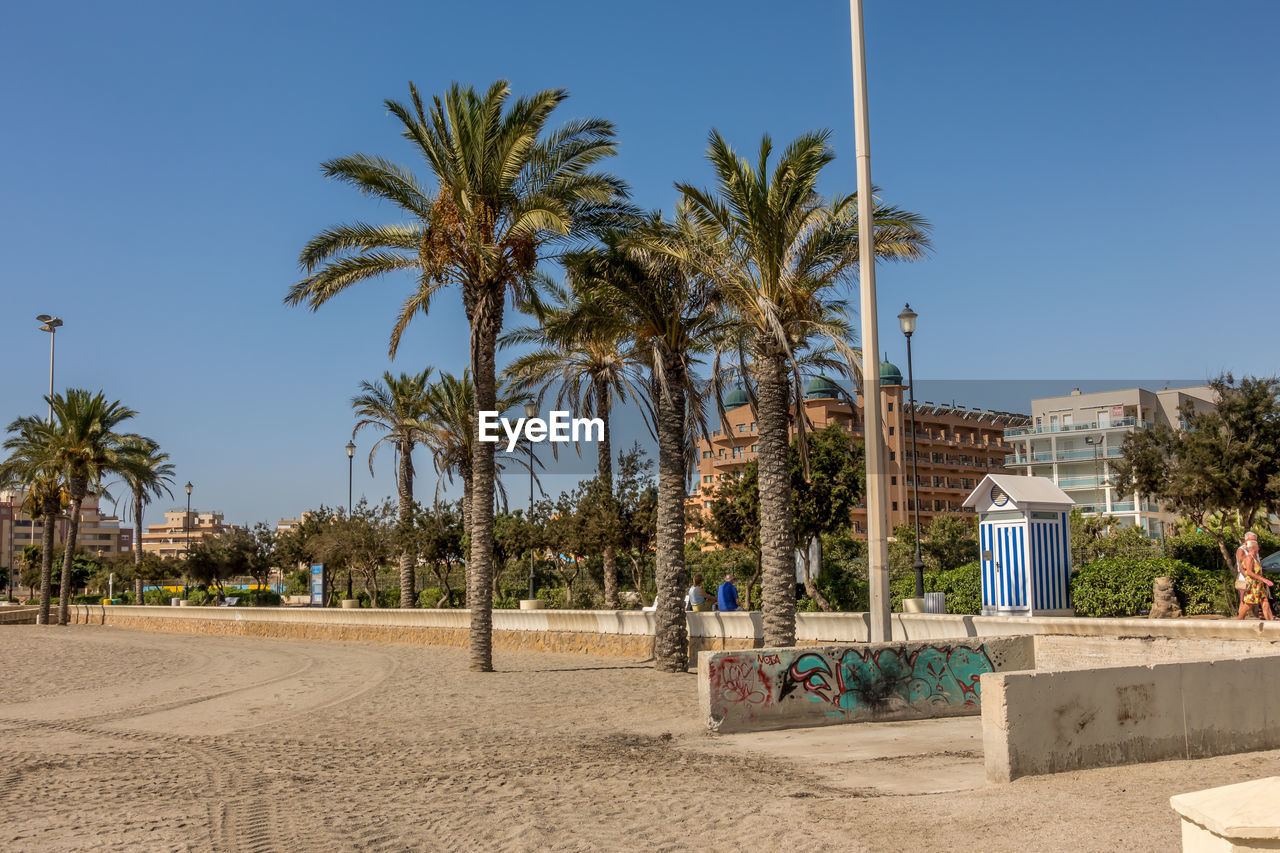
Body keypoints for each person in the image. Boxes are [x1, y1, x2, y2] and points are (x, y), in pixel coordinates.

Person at [1236, 538, 1274, 620]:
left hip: (1258, 584)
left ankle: (1271, 623)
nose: (1259, 548)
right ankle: (1238, 621)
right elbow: (1249, 572)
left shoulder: (1254, 557)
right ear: (1253, 548)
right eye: (1258, 547)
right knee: (1248, 605)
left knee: (1265, 603)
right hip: (1253, 585)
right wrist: (1265, 580)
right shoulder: (1249, 558)